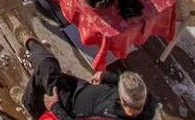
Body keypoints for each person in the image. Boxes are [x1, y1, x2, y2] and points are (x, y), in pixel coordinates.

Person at [16, 36, 156, 120]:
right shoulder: (146, 101)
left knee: (46, 67)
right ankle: (33, 46)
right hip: (80, 86)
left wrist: (56, 107)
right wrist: (105, 75)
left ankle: (29, 104)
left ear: (124, 99)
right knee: (47, 72)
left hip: (69, 105)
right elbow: (121, 80)